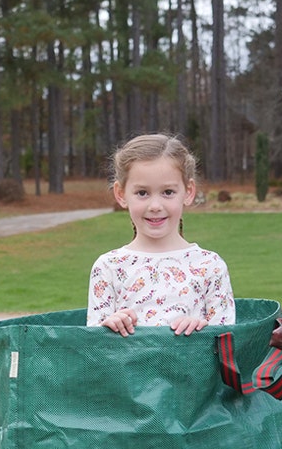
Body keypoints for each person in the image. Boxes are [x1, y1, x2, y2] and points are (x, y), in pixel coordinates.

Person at [88, 133, 235, 336]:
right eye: (142, 193)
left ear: (188, 191)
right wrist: (108, 327)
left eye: (167, 192)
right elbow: (90, 348)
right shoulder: (108, 267)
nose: (155, 206)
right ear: (121, 194)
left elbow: (228, 342)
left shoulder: (209, 266)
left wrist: (202, 330)